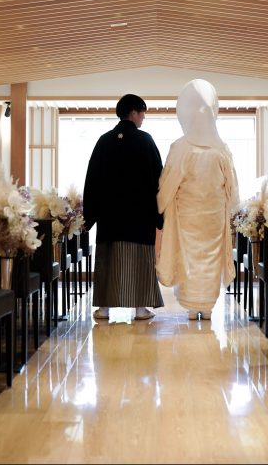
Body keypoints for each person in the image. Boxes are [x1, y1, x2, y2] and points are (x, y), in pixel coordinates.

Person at [156, 79, 240, 320]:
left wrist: (160, 205)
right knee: (211, 258)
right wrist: (232, 206)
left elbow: (168, 182)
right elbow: (232, 186)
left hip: (187, 215)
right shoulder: (221, 148)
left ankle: (193, 307)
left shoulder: (180, 147)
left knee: (189, 257)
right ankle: (208, 306)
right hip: (213, 215)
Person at [83, 93, 164, 320]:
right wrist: (160, 215)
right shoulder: (145, 140)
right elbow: (158, 179)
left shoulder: (104, 141)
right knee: (140, 261)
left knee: (108, 261)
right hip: (140, 216)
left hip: (110, 217)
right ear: (133, 113)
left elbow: (92, 180)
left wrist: (90, 216)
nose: (143, 117)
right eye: (142, 113)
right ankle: (140, 309)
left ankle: (104, 308)